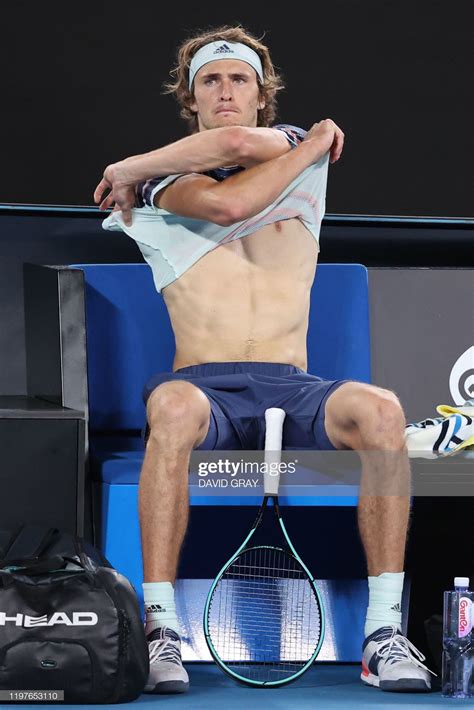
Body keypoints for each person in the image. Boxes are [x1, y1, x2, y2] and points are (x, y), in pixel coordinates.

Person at [94, 25, 435, 695]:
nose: (225, 91)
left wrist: (301, 143)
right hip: (205, 390)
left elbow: (242, 149)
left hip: (295, 388)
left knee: (383, 410)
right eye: (210, 81)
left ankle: (384, 632)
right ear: (191, 101)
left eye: (238, 79)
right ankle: (161, 628)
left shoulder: (289, 145)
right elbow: (228, 202)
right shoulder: (167, 181)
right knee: (167, 406)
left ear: (261, 95)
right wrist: (132, 170)